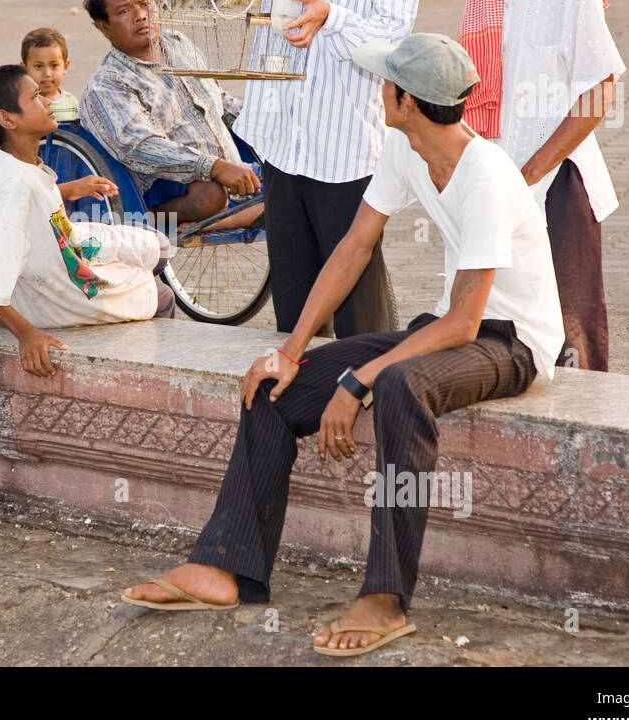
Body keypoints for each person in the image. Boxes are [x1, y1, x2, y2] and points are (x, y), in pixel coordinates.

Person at [121, 33, 564, 658]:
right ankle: (225, 566)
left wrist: (359, 381)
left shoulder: (485, 174)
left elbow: (468, 323)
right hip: (444, 328)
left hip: (512, 341)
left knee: (397, 383)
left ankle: (385, 597)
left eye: (385, 82)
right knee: (273, 386)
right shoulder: (407, 147)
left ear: (406, 99)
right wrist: (292, 349)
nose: (377, 89)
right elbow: (354, 247)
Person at [216, 0, 421, 336]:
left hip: (347, 153)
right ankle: (300, 395)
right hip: (282, 147)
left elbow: (391, 50)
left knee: (358, 308)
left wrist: (333, 17)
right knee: (294, 306)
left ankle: (368, 399)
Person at [459, 0, 624, 372]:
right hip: (497, 180)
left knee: (575, 334)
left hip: (559, 184)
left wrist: (530, 172)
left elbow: (598, 93)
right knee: (504, 327)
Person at [0, 65, 173, 378]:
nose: (48, 102)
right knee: (161, 294)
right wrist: (25, 333)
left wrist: (70, 189)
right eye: (36, 97)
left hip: (64, 253)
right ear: (7, 119)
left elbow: (32, 204)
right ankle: (152, 378)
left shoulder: (6, 161)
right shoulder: (16, 187)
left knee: (158, 247)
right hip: (52, 299)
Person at [78, 0, 262, 230]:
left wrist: (269, 123)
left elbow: (219, 101)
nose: (140, 16)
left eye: (145, 4)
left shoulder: (177, 43)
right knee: (210, 197)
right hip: (167, 186)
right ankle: (145, 225)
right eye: (124, 11)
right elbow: (141, 147)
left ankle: (219, 222)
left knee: (293, 181)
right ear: (103, 27)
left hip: (224, 172)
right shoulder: (108, 84)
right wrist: (214, 167)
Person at [21, 27, 78, 124]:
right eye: (38, 66)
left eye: (54, 66)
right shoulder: (22, 104)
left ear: (65, 67)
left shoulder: (72, 104)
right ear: (24, 68)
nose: (47, 74)